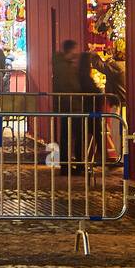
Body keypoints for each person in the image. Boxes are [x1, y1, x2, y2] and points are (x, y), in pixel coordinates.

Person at [52, 41, 80, 174]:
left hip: (67, 105)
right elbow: (69, 86)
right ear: (70, 50)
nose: (77, 52)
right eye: (75, 49)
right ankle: (67, 166)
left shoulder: (63, 65)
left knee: (67, 136)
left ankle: (66, 165)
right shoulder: (65, 67)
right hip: (69, 105)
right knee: (69, 136)